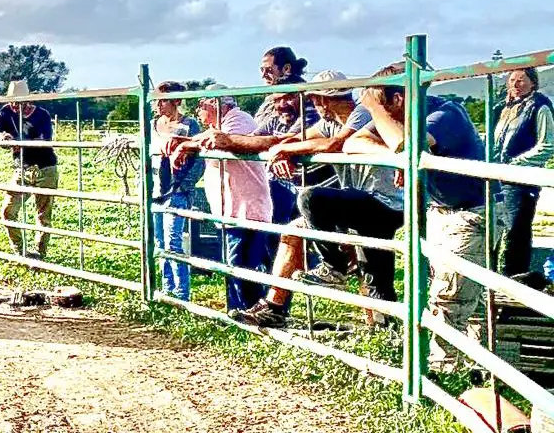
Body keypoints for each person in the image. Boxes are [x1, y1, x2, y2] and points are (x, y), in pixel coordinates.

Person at [344, 62, 505, 364]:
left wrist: (397, 142)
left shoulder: (445, 114)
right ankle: (477, 363)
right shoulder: (400, 117)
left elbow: (408, 145)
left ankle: (441, 368)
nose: (376, 116)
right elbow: (352, 143)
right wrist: (399, 158)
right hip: (441, 211)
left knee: (451, 295)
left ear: (398, 99)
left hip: (473, 213)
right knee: (458, 291)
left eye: (379, 106)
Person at [229, 71, 403, 329]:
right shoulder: (329, 122)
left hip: (383, 200)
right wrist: (282, 149)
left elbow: (337, 144)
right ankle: (274, 307)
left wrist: (285, 149)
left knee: (314, 201)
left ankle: (336, 271)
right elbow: (295, 139)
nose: (313, 105)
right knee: (295, 231)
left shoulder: (360, 115)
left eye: (314, 99)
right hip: (359, 201)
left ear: (324, 99)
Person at [172, 84, 273, 312]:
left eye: (201, 105)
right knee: (233, 265)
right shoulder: (221, 124)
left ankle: (249, 313)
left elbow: (218, 139)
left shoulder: (238, 119)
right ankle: (238, 311)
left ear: (217, 104)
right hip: (231, 209)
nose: (198, 111)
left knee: (243, 265)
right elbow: (208, 137)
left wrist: (186, 144)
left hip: (246, 209)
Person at [0, 80, 59, 259]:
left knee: (43, 214)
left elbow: (45, 140)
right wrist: (2, 137)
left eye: (19, 101)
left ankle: (40, 253)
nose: (14, 104)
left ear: (28, 100)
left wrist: (20, 144)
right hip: (21, 168)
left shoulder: (41, 115)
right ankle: (20, 250)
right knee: (8, 211)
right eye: (12, 100)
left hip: (44, 167)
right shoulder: (6, 112)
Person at [494, 67, 554, 279]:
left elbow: (548, 145)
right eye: (512, 80)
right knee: (496, 229)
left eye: (521, 80)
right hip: (498, 176)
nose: (515, 85)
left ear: (533, 83)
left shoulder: (540, 107)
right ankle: (495, 280)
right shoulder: (502, 108)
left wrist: (516, 162)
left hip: (521, 179)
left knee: (515, 230)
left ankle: (514, 282)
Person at [150, 81, 204, 301]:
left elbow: (199, 161)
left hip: (176, 191)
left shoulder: (189, 126)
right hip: (155, 190)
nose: (158, 105)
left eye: (162, 100)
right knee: (160, 243)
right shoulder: (152, 125)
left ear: (176, 102)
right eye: (156, 100)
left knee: (174, 241)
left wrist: (184, 185)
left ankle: (181, 295)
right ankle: (167, 290)